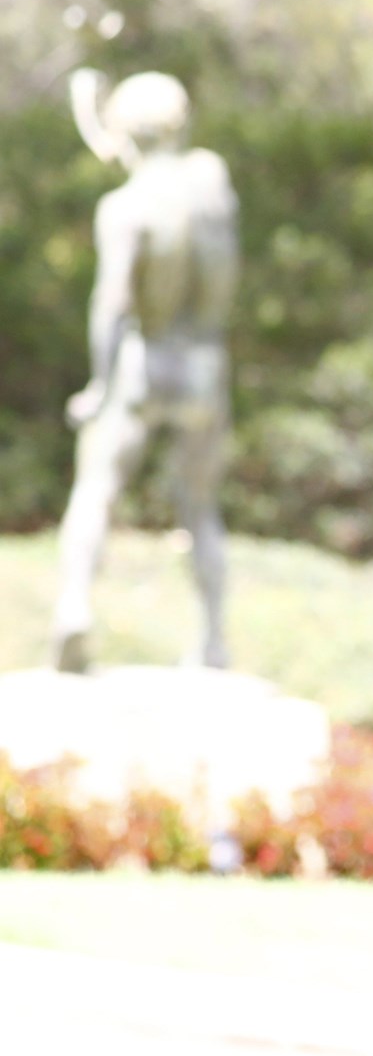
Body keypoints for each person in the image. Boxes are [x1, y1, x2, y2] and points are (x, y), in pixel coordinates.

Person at [52, 68, 239, 674]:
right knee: (200, 506)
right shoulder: (213, 190)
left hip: (144, 360)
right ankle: (213, 639)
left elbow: (111, 303)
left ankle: (74, 608)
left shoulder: (124, 206)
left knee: (96, 488)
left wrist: (98, 384)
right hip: (204, 360)